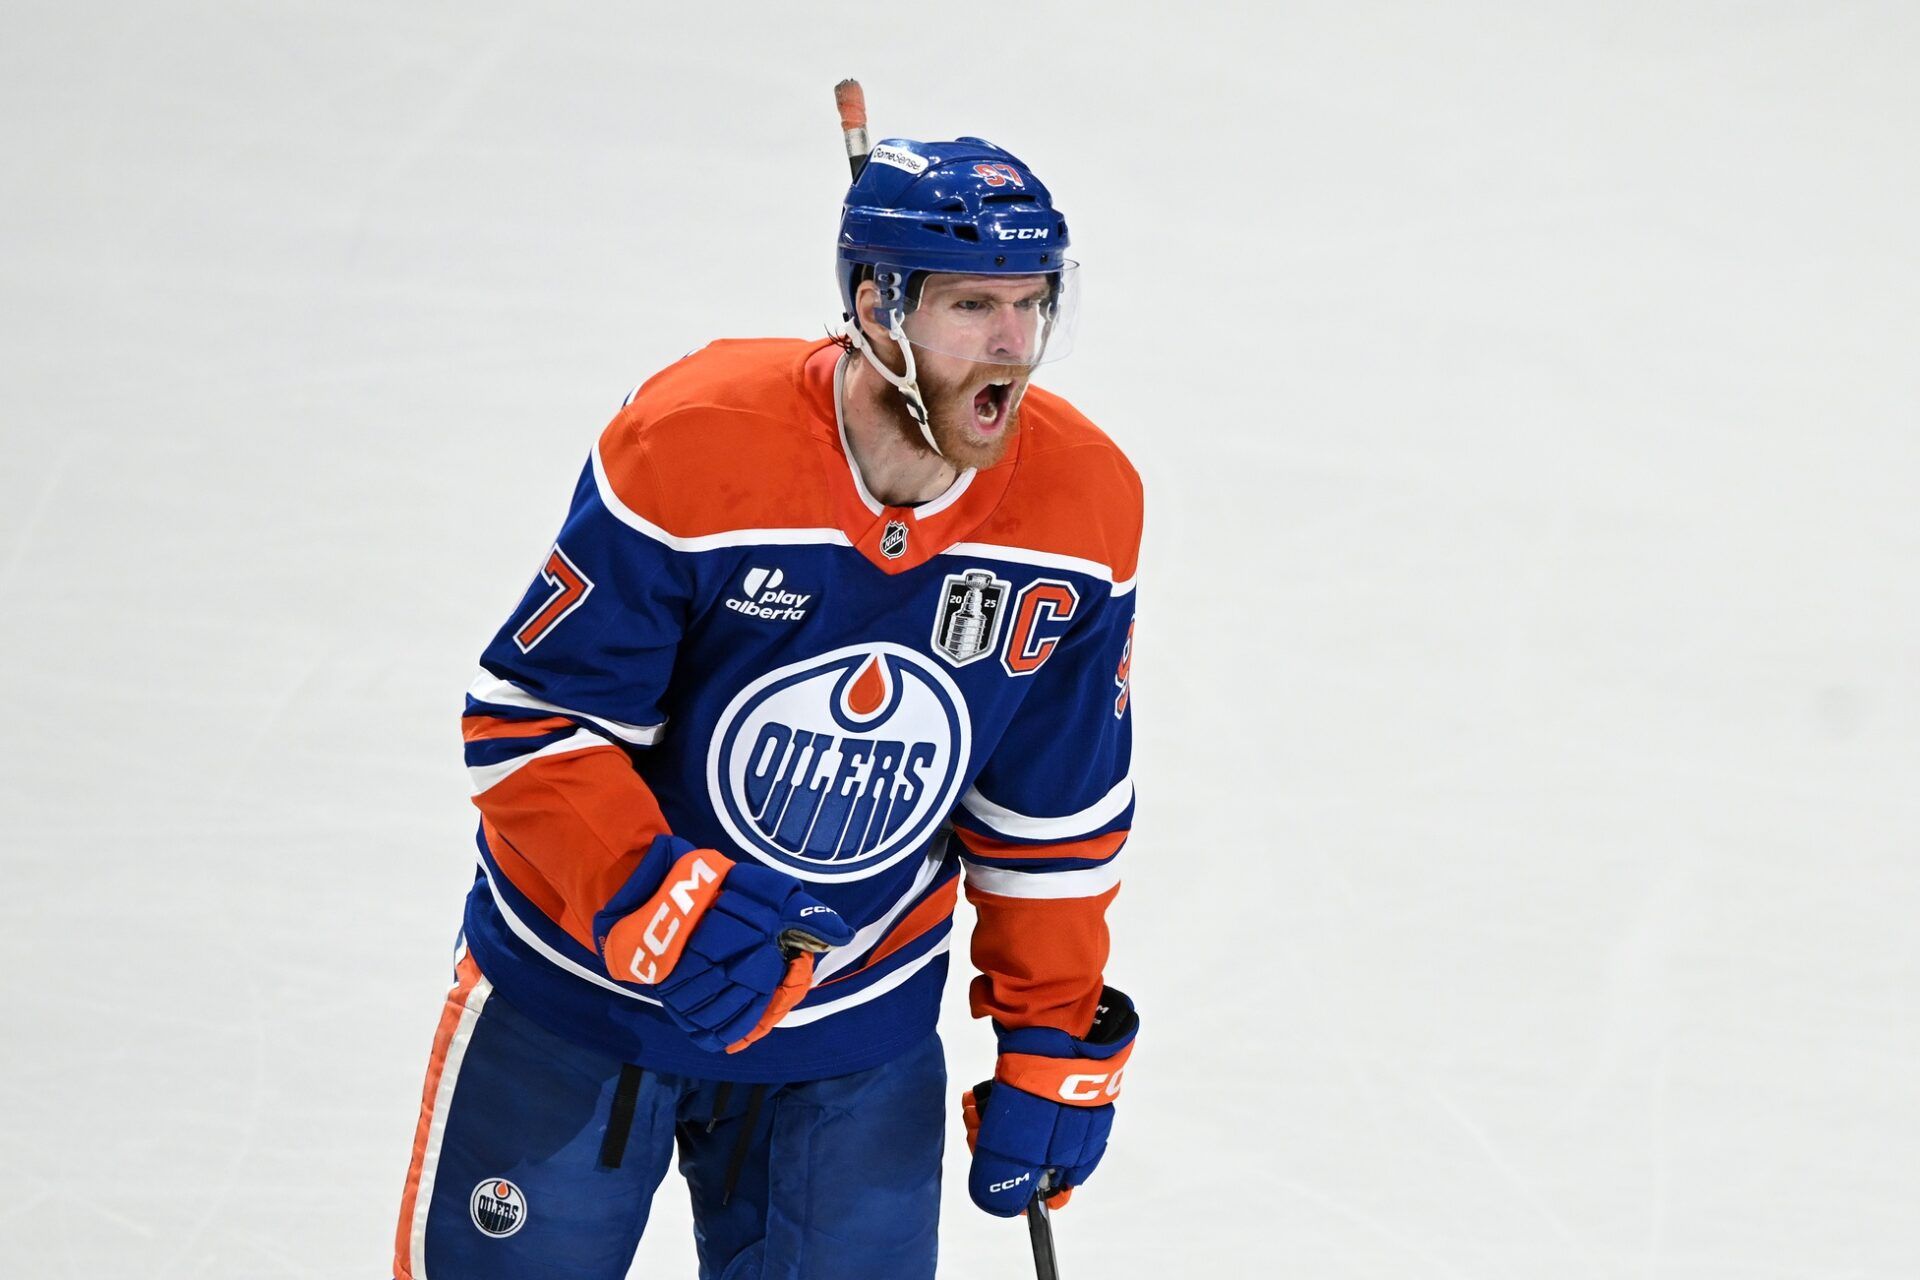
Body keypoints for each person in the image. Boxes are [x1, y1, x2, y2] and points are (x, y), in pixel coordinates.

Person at [391, 135, 1142, 1280]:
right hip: (579, 1001)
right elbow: (531, 721)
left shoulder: (1080, 500)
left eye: (1031, 303)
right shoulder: (698, 441)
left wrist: (1050, 1025)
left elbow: (1052, 812)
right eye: (971, 305)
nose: (1012, 343)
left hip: (853, 1031)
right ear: (876, 309)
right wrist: (656, 893)